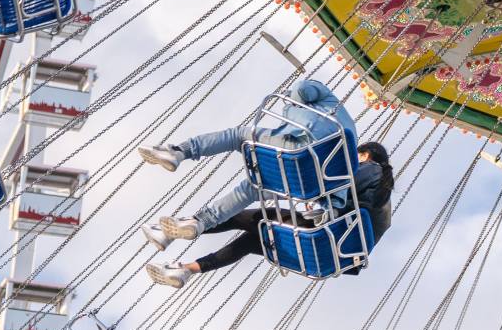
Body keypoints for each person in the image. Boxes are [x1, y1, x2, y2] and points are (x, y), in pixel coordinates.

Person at [142, 141, 395, 287]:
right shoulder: (383, 200)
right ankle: (185, 270)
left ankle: (174, 231)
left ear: (364, 155)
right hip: (327, 256)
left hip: (322, 236)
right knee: (253, 240)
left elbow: (337, 182)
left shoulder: (372, 169)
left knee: (248, 217)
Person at [135, 78, 356, 223]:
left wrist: (289, 101)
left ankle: (180, 151)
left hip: (301, 148)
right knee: (252, 189)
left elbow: (303, 89)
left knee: (238, 136)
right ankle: (200, 222)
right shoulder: (349, 141)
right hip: (309, 183)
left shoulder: (325, 98)